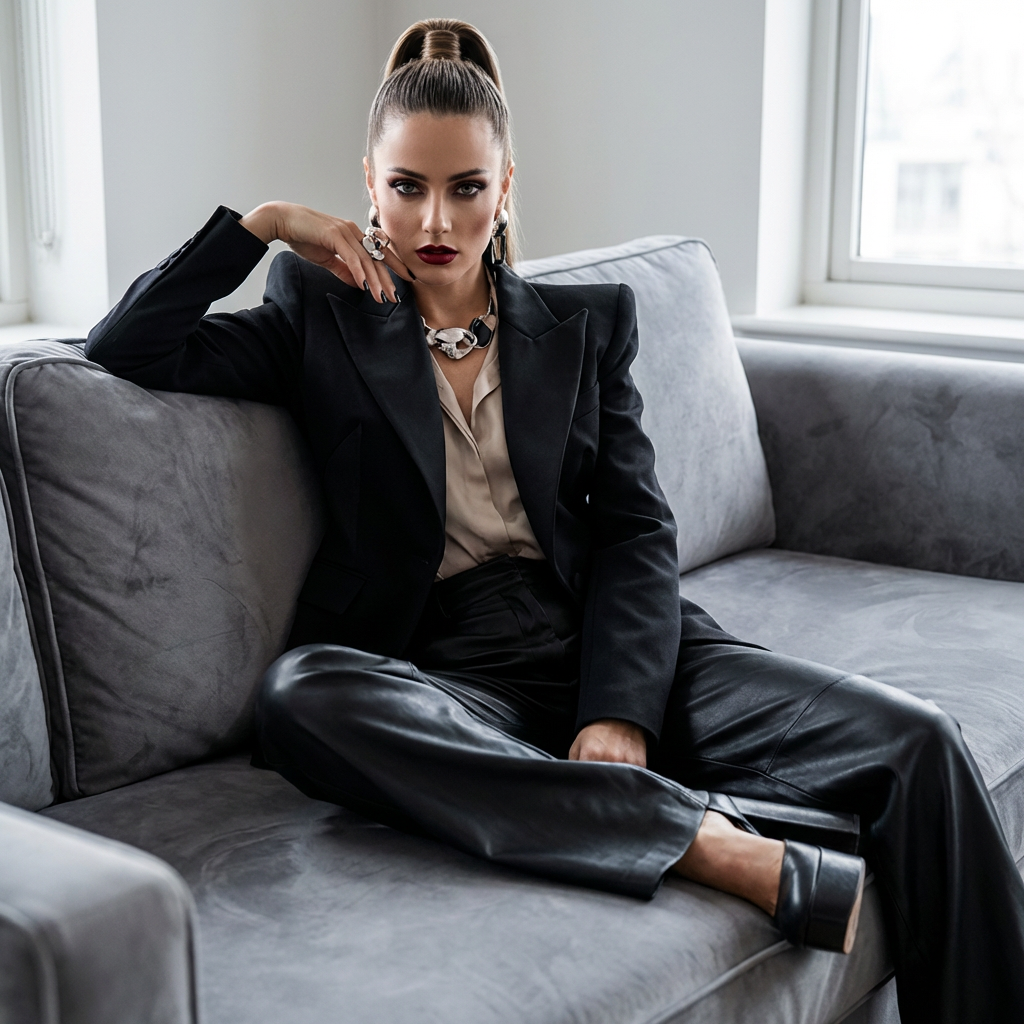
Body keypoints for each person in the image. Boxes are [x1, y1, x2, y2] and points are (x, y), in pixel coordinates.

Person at [85, 19, 1024, 1023]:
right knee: (303, 693)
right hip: (448, 669)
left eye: (466, 187)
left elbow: (633, 531)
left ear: (505, 186)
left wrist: (618, 709)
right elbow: (128, 346)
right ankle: (705, 837)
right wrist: (267, 223)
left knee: (920, 744)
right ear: (369, 184)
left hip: (603, 632)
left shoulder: (587, 326)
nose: (436, 218)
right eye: (407, 186)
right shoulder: (319, 315)